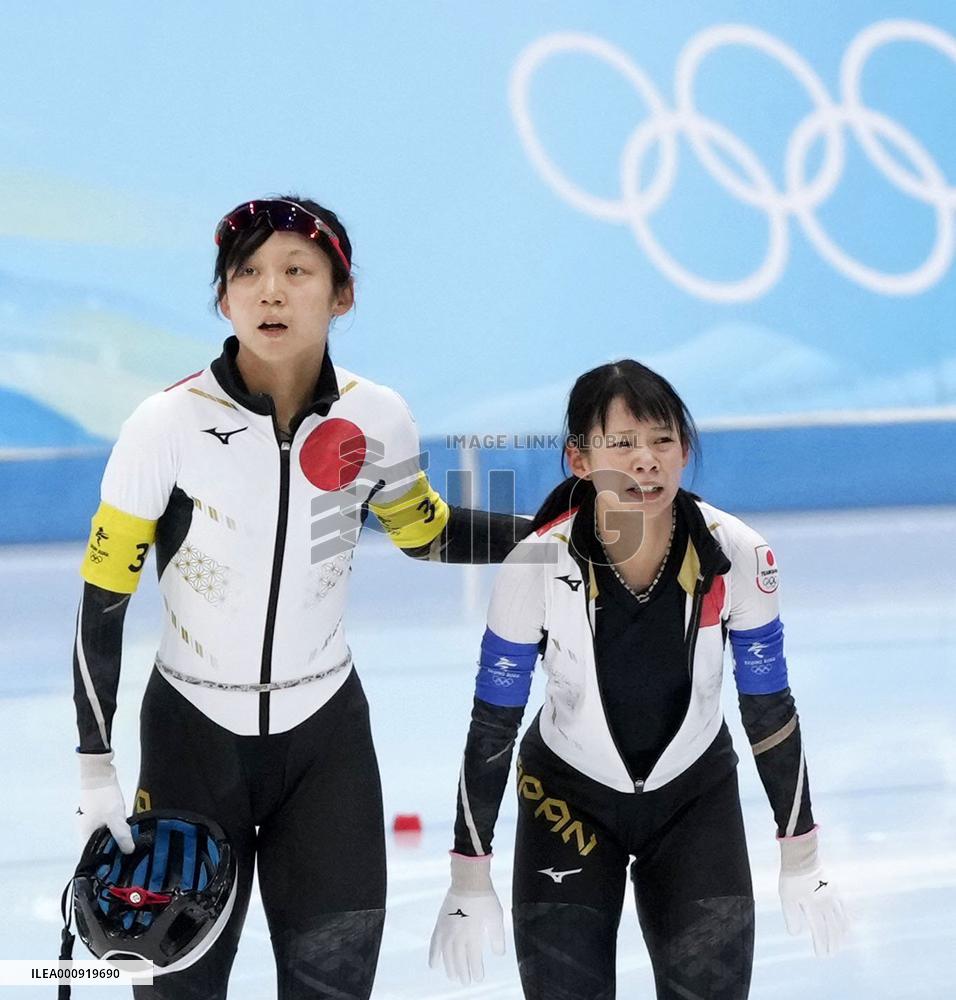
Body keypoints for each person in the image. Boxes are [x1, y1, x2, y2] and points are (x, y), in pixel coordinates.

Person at [71, 196, 531, 999]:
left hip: (326, 747)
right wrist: (93, 765)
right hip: (190, 742)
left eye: (296, 271)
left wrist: (551, 529)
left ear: (341, 294)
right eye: (246, 273)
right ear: (223, 298)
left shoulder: (376, 416)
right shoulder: (166, 425)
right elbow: (102, 598)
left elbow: (421, 530)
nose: (269, 292)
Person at [429, 360, 848, 999]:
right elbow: (493, 723)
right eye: (621, 444)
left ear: (684, 450)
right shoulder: (532, 565)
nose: (645, 461)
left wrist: (803, 853)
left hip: (694, 802)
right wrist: (468, 872)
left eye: (661, 441)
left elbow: (768, 707)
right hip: (565, 801)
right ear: (578, 459)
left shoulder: (741, 554)